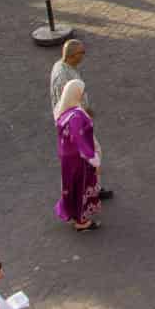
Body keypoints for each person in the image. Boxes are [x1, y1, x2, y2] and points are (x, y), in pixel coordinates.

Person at [53, 80, 102, 231]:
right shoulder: (76, 116)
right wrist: (92, 156)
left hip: (67, 158)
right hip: (79, 160)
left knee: (71, 186)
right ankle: (82, 222)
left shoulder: (64, 112)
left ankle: (73, 213)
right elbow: (79, 138)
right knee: (81, 187)